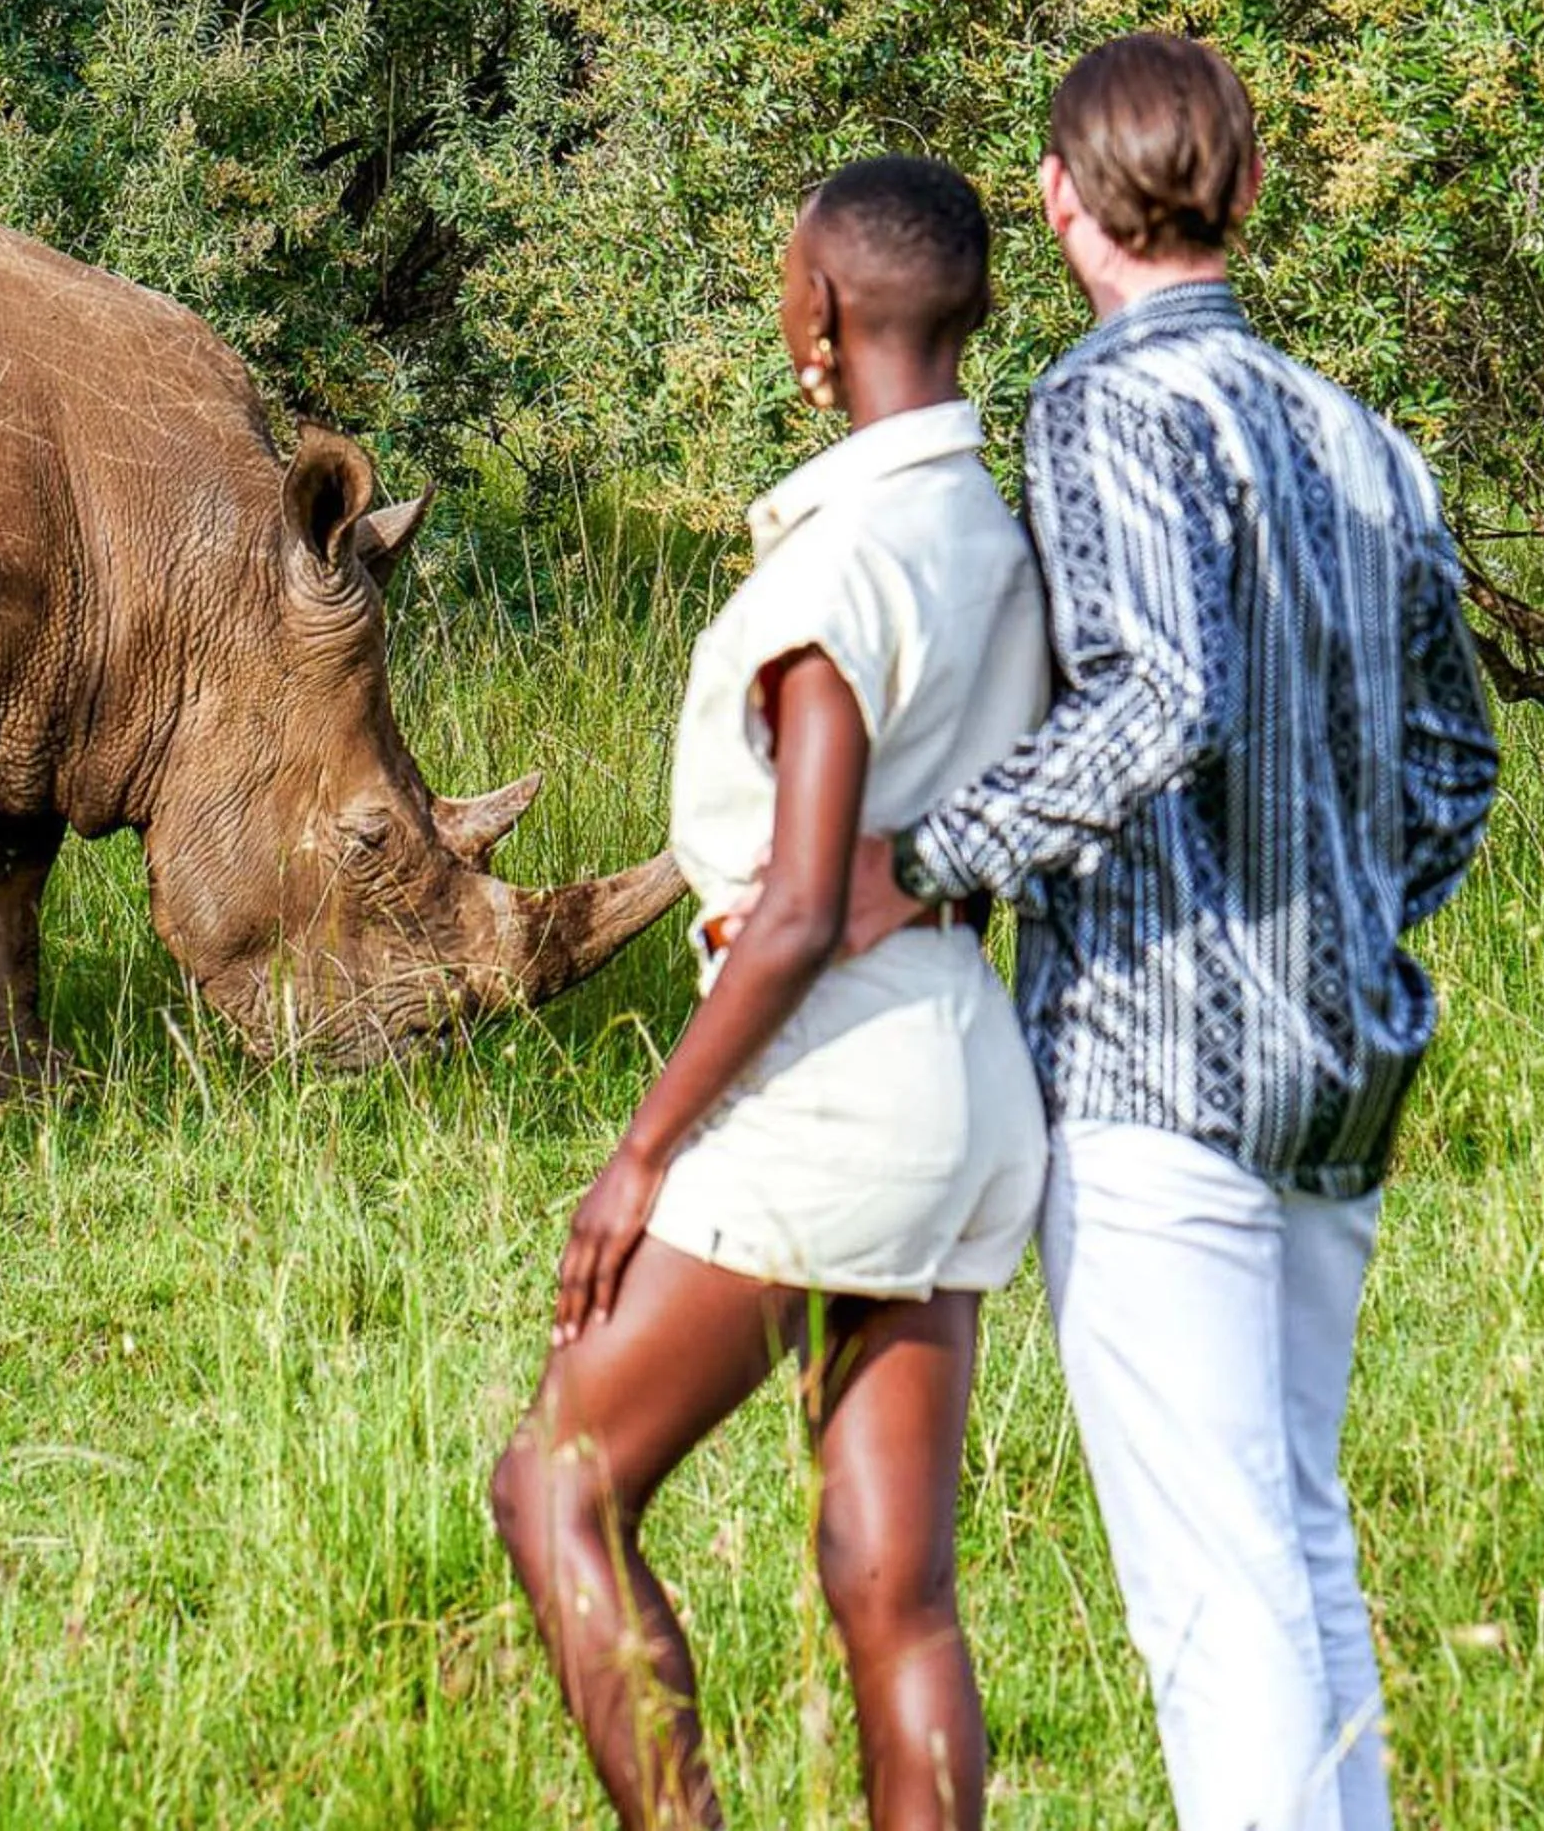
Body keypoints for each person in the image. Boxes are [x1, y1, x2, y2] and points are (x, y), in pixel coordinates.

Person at [834, 35, 1500, 1829]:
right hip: (1344, 1067)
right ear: (1250, 187)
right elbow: (1453, 767)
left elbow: (1160, 699)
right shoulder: (1366, 438)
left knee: (1217, 1598)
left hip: (1156, 1075)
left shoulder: (1099, 410)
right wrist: (1346, 923)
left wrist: (928, 855)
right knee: (1292, 1540)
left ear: (1059, 203)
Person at [490, 155, 1050, 1831]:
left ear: (813, 315)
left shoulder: (832, 570)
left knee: (555, 1488)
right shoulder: (997, 536)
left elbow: (801, 904)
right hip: (966, 1074)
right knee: (896, 1587)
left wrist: (643, 1152)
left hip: (823, 1082)